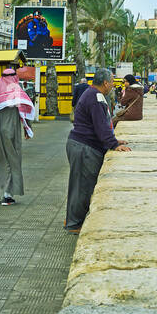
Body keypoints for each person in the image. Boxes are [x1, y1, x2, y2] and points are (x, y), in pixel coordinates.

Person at [65, 68, 130, 233]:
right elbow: (101, 126)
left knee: (79, 184)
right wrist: (114, 144)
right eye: (112, 81)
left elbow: (102, 125)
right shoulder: (96, 98)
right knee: (83, 187)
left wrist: (114, 140)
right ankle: (74, 224)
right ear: (106, 83)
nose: (113, 85)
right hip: (84, 147)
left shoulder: (91, 93)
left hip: (81, 144)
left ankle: (72, 218)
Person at [0, 67, 36, 206]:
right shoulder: (18, 93)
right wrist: (27, 130)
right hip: (11, 133)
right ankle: (7, 196)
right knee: (12, 162)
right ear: (14, 78)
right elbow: (25, 112)